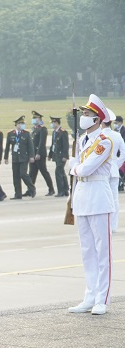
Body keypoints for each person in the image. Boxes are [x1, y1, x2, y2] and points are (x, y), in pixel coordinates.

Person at [66, 95, 116, 316]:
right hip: (83, 197)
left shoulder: (104, 140)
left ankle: (102, 299)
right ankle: (90, 295)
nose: (83, 118)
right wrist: (76, 167)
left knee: (102, 252)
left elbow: (85, 169)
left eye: (86, 115)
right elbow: (80, 167)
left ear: (97, 119)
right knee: (87, 251)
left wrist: (74, 168)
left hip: (98, 196)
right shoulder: (83, 140)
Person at [101, 112, 125, 234]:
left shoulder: (98, 136)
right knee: (114, 199)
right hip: (113, 170)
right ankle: (113, 226)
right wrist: (116, 164)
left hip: (101, 172)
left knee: (102, 198)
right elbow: (123, 152)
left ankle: (104, 224)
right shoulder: (117, 135)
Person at [4, 116, 35, 199]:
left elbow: (30, 146)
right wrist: (6, 157)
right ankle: (18, 194)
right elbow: (7, 146)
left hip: (24, 157)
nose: (22, 125)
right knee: (16, 176)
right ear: (16, 125)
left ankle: (32, 188)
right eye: (20, 123)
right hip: (15, 158)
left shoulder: (26, 133)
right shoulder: (10, 134)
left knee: (23, 174)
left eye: (23, 123)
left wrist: (32, 156)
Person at [28, 111, 54, 196]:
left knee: (44, 172)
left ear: (39, 119)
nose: (33, 120)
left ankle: (51, 189)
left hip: (40, 154)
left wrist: (38, 153)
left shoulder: (43, 128)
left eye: (35, 118)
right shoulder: (34, 128)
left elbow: (42, 142)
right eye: (33, 118)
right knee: (32, 173)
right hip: (33, 154)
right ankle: (30, 190)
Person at [49, 116, 70, 197]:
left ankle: (61, 191)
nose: (52, 124)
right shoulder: (54, 132)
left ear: (57, 123)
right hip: (56, 155)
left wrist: (65, 155)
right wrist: (50, 154)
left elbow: (66, 145)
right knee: (61, 172)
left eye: (53, 123)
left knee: (58, 171)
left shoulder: (63, 132)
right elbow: (53, 144)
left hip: (61, 156)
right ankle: (65, 190)